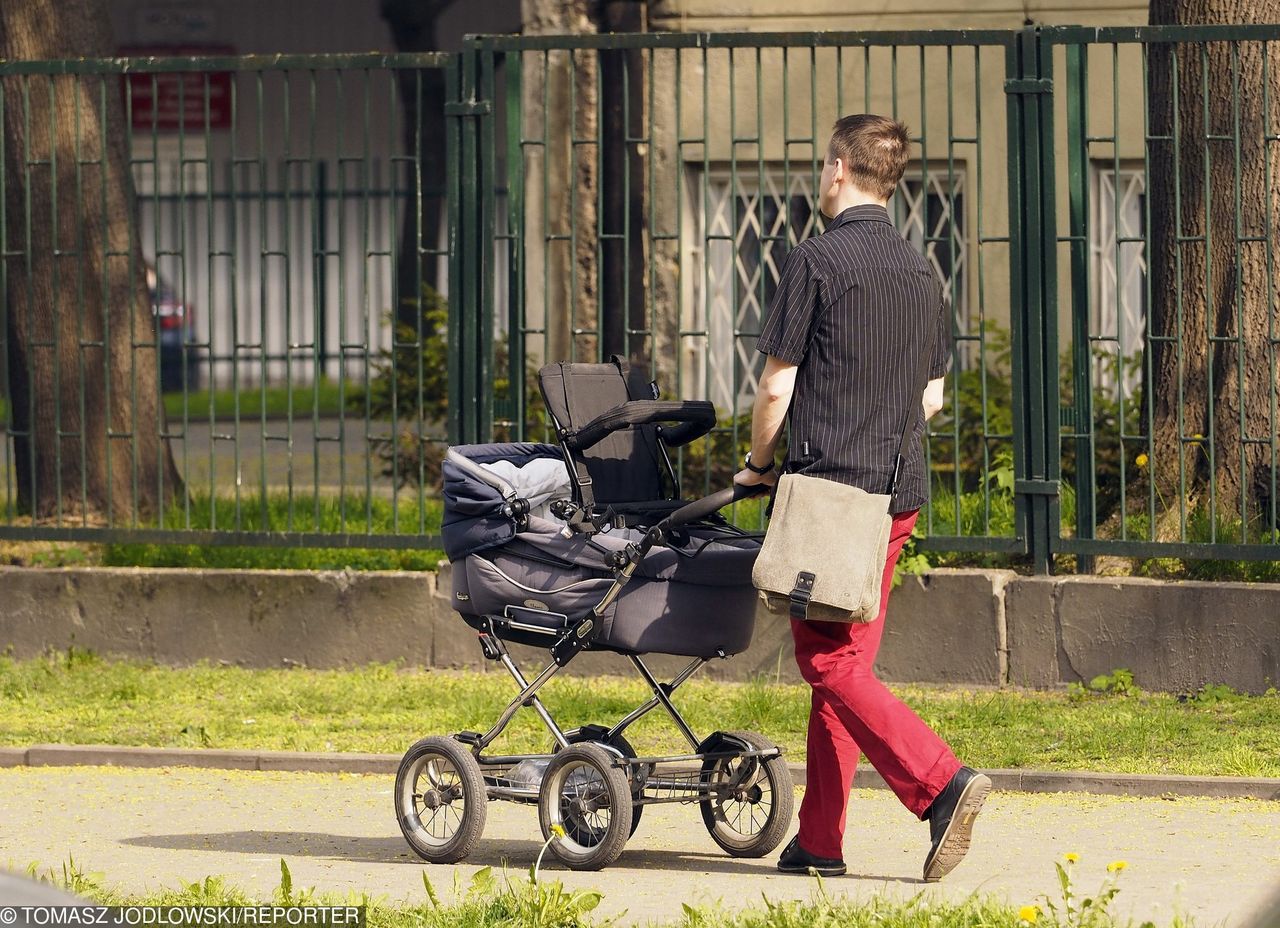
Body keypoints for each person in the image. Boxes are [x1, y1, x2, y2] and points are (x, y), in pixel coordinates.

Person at [733, 114, 991, 883]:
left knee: (827, 663)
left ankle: (942, 783)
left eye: (823, 163)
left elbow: (777, 386)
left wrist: (755, 464)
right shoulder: (922, 271)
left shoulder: (814, 261)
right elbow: (934, 396)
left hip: (830, 496)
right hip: (896, 495)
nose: (822, 174)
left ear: (840, 168)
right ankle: (820, 840)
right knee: (846, 662)